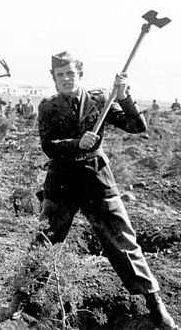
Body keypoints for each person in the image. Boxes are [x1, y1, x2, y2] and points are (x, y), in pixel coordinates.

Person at [9, 51, 176, 329]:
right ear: (54, 79)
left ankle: (154, 302)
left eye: (70, 74)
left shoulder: (101, 99)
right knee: (45, 240)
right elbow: (48, 145)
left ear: (80, 74)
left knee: (123, 240)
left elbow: (137, 126)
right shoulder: (48, 106)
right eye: (60, 75)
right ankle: (22, 296)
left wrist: (123, 96)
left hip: (97, 180)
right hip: (62, 182)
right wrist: (76, 143)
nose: (65, 79)